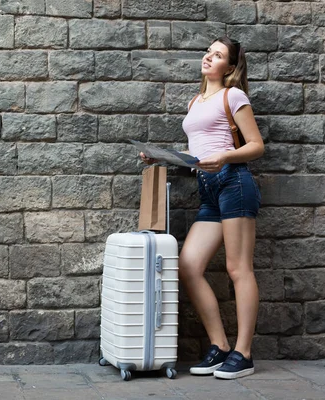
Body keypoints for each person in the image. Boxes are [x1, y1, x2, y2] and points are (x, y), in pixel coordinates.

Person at [141, 36, 265, 379]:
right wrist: (160, 157)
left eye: (219, 55)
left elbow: (256, 146)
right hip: (208, 188)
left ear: (231, 66)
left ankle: (244, 353)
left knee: (238, 269)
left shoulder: (233, 96)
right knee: (188, 266)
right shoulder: (197, 100)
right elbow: (200, 155)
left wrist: (225, 155)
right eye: (209, 51)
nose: (209, 57)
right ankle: (220, 346)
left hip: (234, 182)